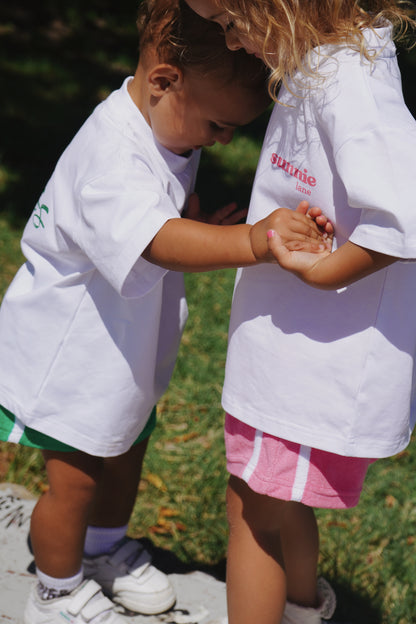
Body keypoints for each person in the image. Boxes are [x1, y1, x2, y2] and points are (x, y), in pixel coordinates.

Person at [0, 1, 333, 623]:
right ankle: (54, 590)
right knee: (74, 482)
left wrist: (196, 228)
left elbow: (151, 226)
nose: (224, 140)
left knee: (124, 452)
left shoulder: (164, 122)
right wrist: (251, 242)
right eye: (218, 127)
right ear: (164, 82)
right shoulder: (110, 156)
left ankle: (102, 551)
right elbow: (152, 238)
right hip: (68, 355)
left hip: (117, 350)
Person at [184, 1, 416, 623]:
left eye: (230, 20)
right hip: (302, 360)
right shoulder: (328, 64)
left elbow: (404, 212)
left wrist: (322, 274)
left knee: (251, 511)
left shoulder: (349, 81)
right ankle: (302, 608)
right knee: (279, 501)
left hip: (311, 364)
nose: (229, 42)